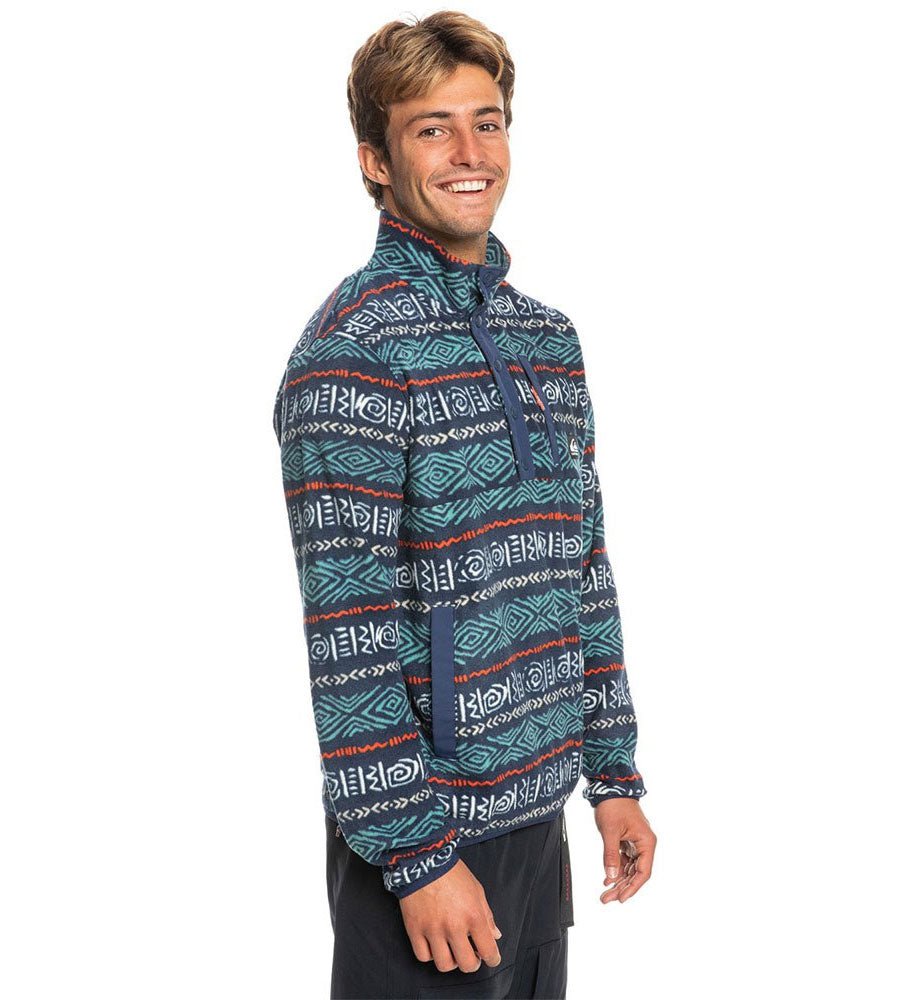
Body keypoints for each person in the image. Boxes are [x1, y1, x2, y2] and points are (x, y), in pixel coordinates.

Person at [271, 11, 657, 998]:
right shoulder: (352, 356)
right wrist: (415, 856)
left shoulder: (546, 341)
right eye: (431, 128)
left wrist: (612, 776)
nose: (469, 152)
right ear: (375, 160)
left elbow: (583, 569)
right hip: (430, 841)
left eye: (487, 123)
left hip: (539, 820)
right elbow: (347, 634)